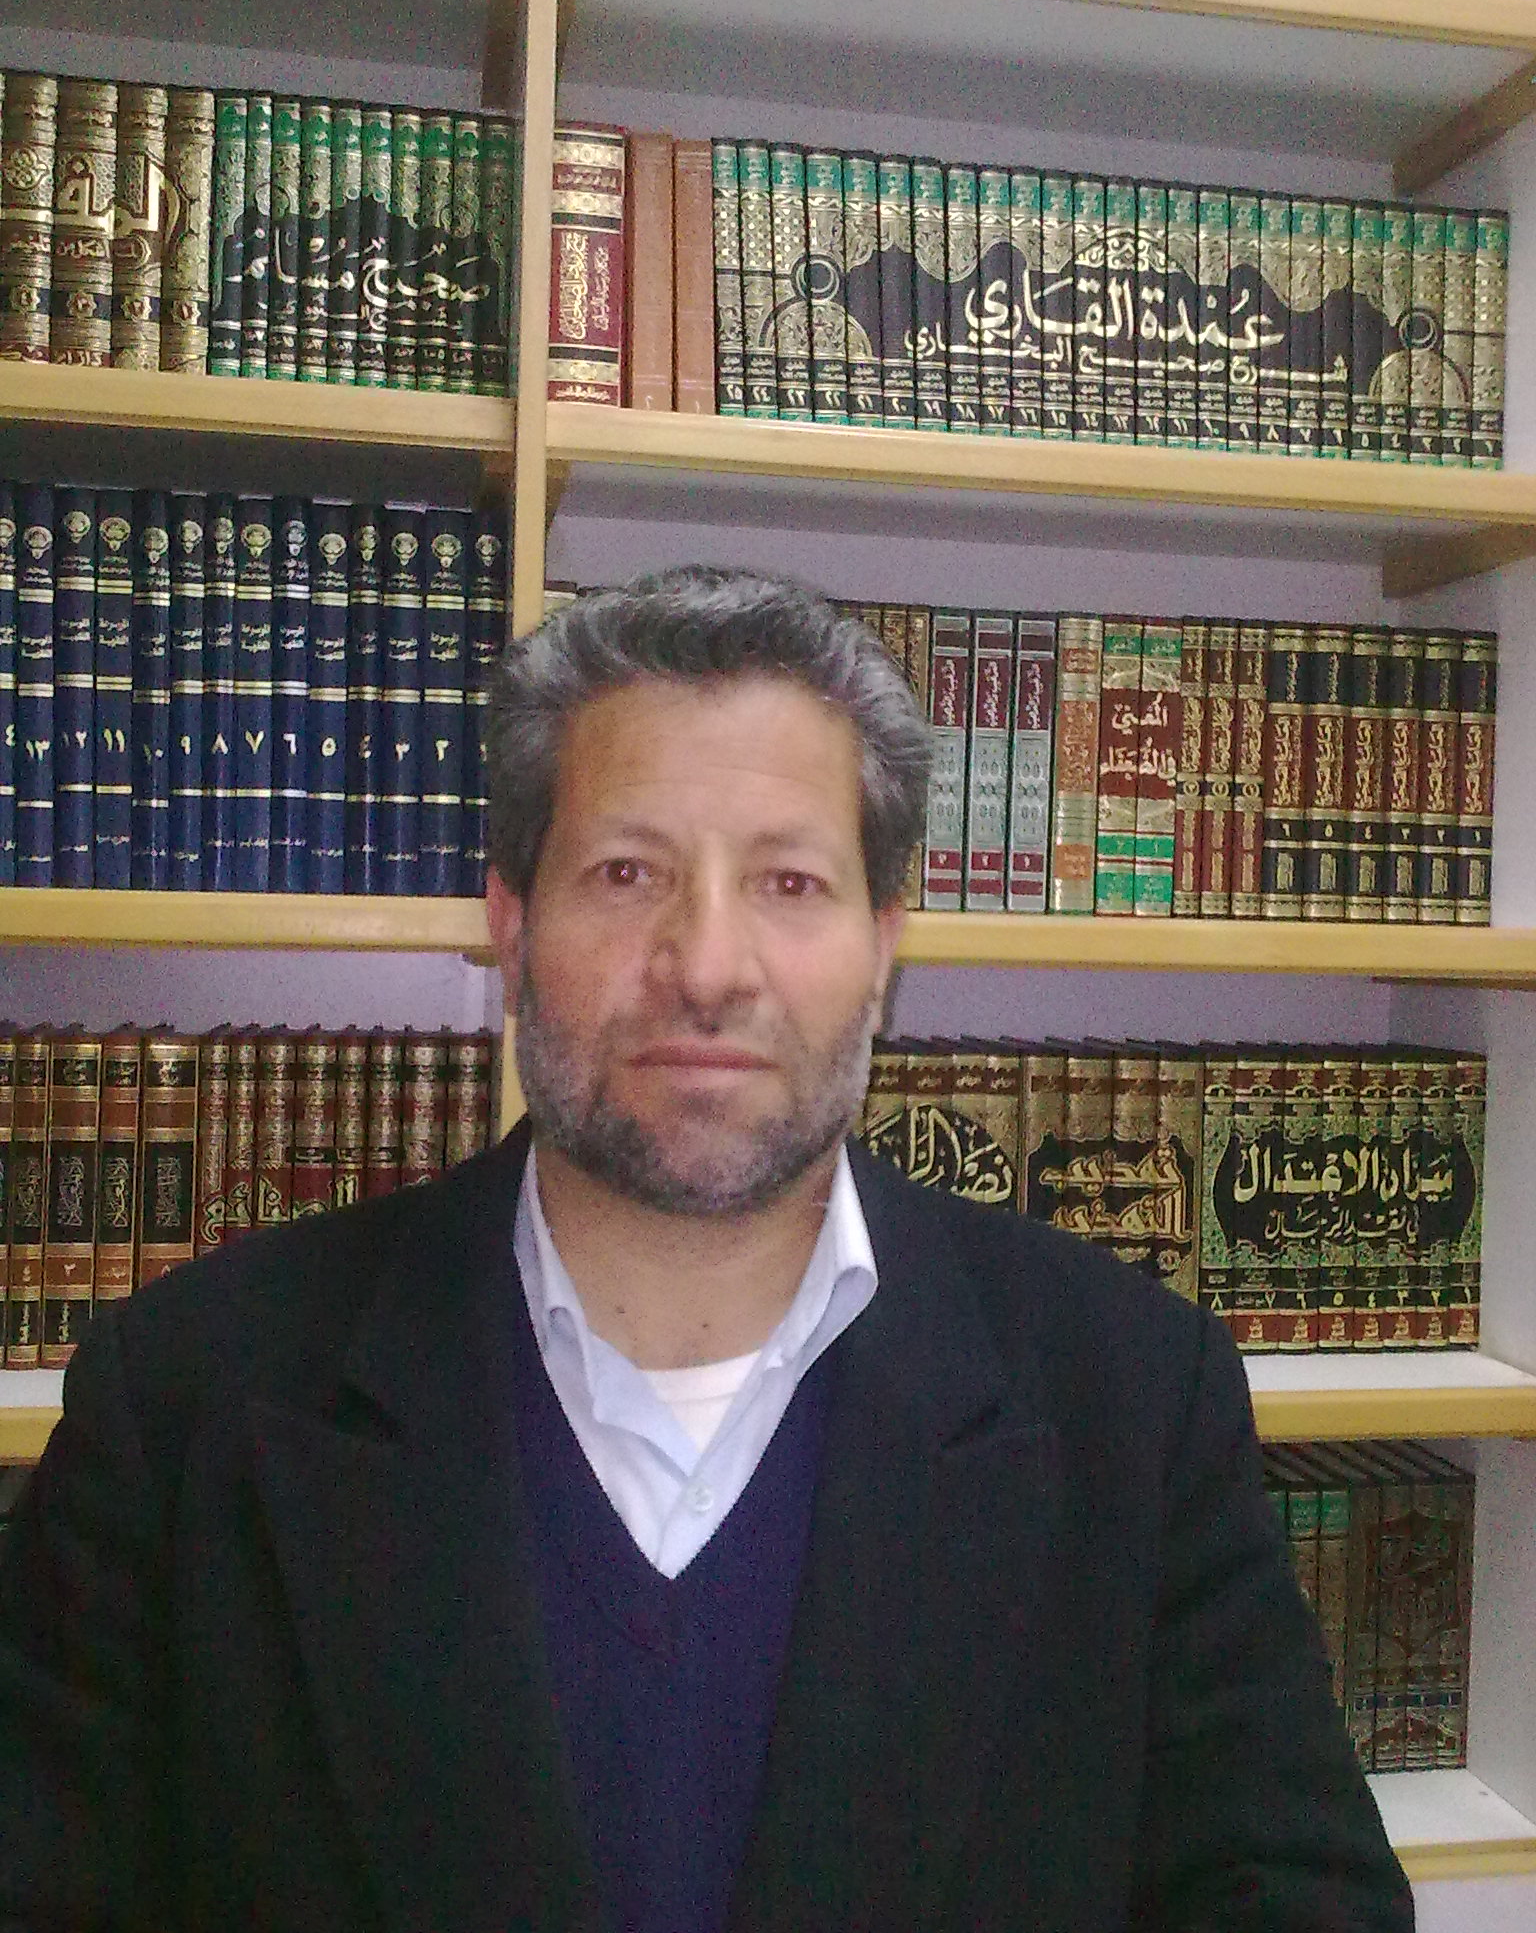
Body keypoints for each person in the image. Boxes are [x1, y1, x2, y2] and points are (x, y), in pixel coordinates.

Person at [0, 564, 1413, 1933]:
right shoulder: (187, 1400)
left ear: (886, 944)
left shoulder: (1133, 1399)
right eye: (628, 873)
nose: (709, 966)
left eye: (790, 883)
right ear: (510, 925)